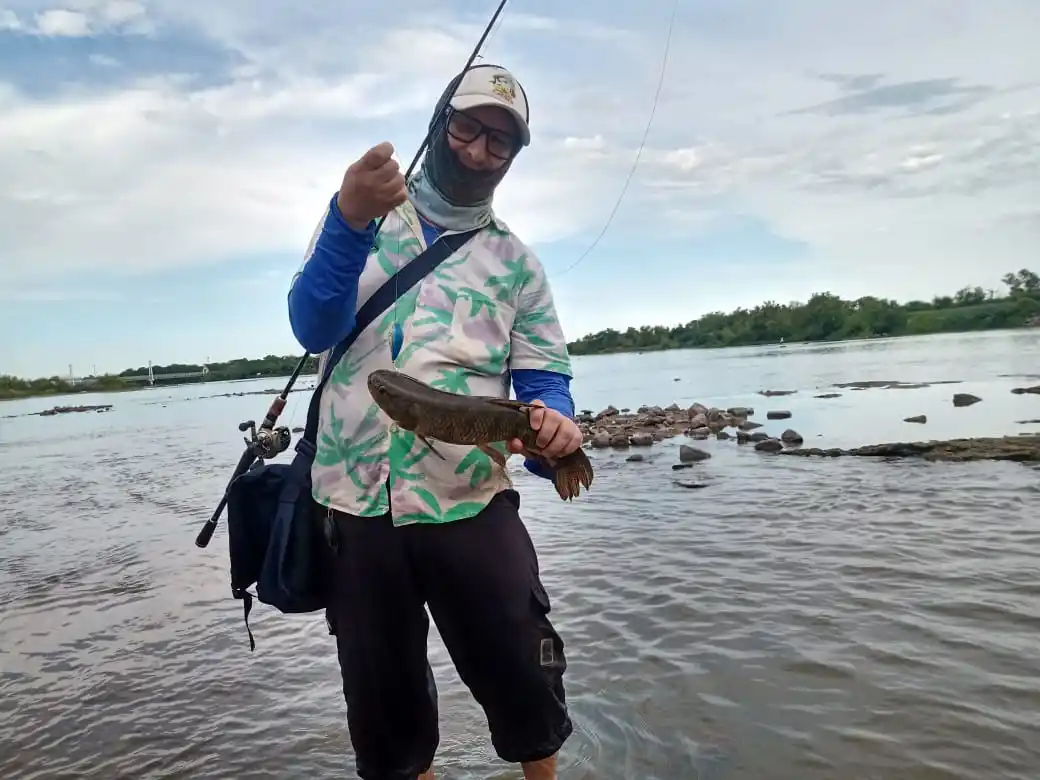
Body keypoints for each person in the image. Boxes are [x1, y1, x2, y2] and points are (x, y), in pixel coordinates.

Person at [287, 63, 583, 780]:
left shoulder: (518, 264)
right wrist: (346, 217)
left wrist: (556, 433)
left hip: (470, 498)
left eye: (500, 143)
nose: (479, 151)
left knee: (522, 672)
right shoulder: (358, 218)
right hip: (357, 506)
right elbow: (311, 323)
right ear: (439, 123)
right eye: (468, 127)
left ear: (513, 158)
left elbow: (545, 380)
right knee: (385, 706)